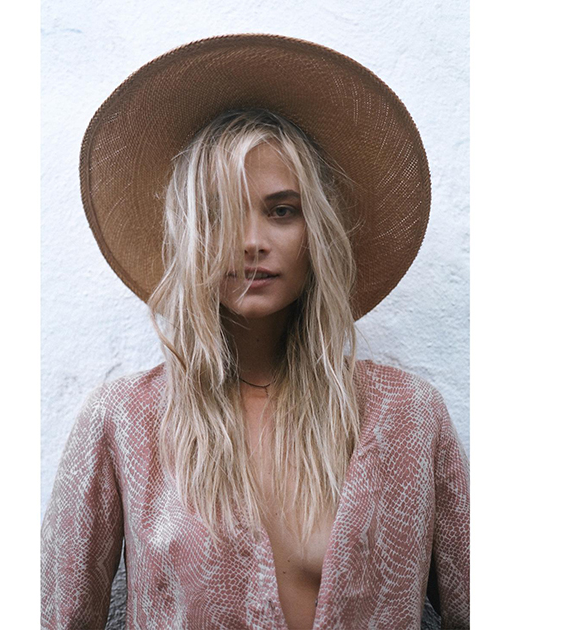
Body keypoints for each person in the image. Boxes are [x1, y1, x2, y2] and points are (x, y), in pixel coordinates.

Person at [42, 35, 469, 630]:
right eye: (218, 212)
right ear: (190, 235)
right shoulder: (123, 423)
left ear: (316, 233)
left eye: (281, 210)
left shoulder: (407, 418)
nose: (251, 241)